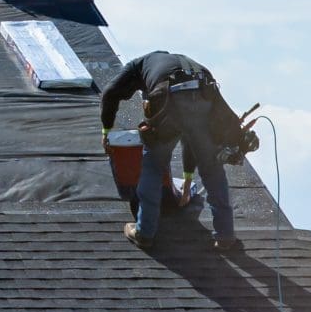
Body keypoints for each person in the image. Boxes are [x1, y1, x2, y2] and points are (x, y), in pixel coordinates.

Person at [99, 50, 250, 252]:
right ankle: (225, 236)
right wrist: (188, 180)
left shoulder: (137, 66)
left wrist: (106, 131)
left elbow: (110, 93)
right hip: (205, 96)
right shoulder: (190, 65)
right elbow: (192, 137)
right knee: (212, 167)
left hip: (170, 98)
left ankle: (144, 232)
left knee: (153, 163)